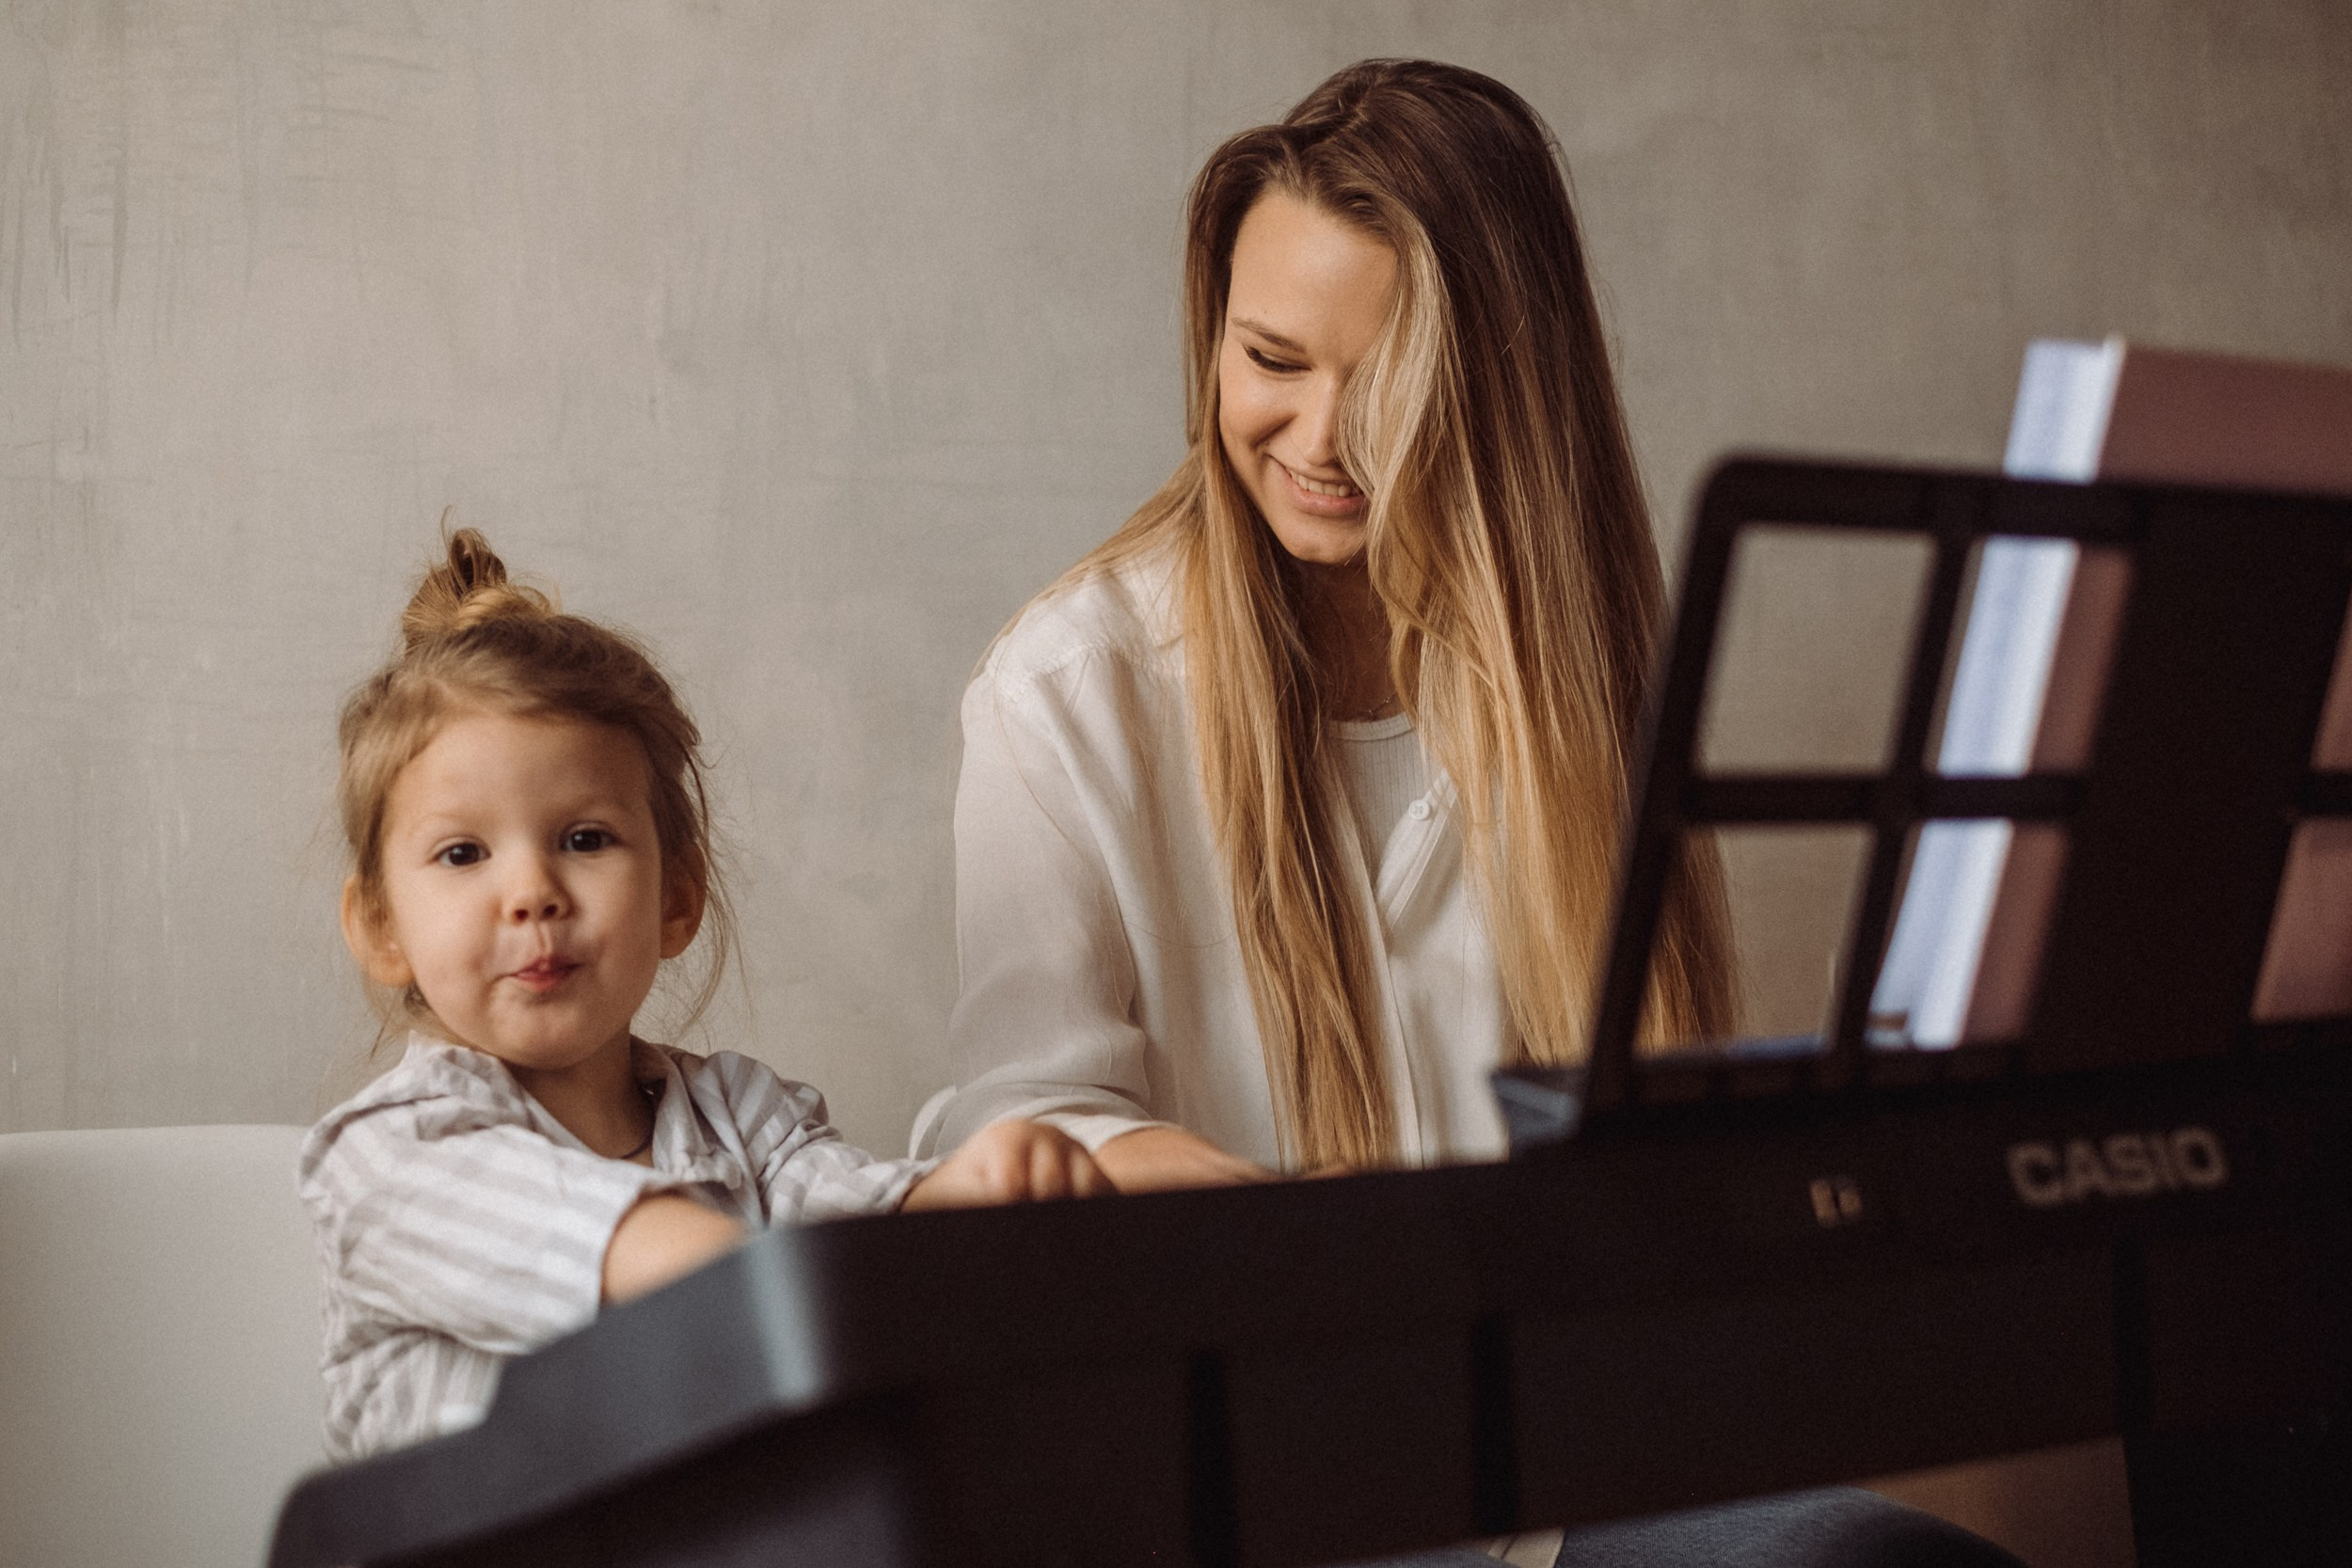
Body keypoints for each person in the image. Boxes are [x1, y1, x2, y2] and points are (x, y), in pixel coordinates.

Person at [927, 59, 2022, 1568]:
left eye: (1386, 381)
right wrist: (1305, 1231)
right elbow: (1014, 1127)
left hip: (1559, 1486)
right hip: (1243, 1496)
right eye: (1271, 358)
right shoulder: (1065, 690)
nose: (1317, 437)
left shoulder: (1572, 683)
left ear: (1498, 387)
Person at [301, 530, 1107, 1462]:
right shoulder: (382, 1157)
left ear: (676, 896)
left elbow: (868, 1237)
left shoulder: (745, 1119)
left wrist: (974, 1193)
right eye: (463, 852)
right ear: (382, 928)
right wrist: (831, 1294)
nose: (532, 891)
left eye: (585, 838)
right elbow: (675, 1265)